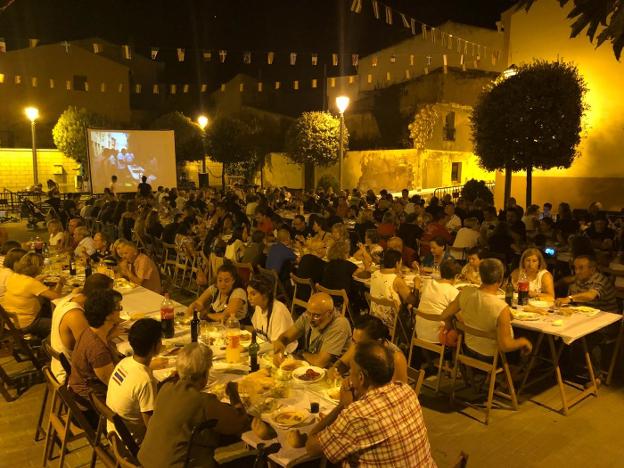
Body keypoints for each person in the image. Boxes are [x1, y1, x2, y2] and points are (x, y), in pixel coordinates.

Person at [306, 341, 436, 467]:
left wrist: (342, 406)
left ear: (361, 378)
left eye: (351, 372)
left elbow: (311, 448)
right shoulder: (406, 391)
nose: (349, 377)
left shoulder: (356, 415)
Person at [138, 343, 250, 468]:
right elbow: (240, 422)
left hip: (144, 463)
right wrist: (233, 393)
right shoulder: (203, 402)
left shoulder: (166, 387)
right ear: (204, 375)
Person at [441, 258, 532, 360]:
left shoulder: (465, 292)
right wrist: (524, 341)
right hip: (491, 358)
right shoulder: (500, 307)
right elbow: (506, 346)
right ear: (500, 279)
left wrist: (450, 327)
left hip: (467, 351)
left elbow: (445, 315)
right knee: (526, 344)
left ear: (481, 276)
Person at [50, 273, 114, 383]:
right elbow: (89, 348)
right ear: (99, 294)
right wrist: (111, 334)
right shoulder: (75, 315)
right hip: (69, 373)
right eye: (109, 293)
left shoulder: (69, 299)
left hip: (62, 363)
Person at [106, 318, 162, 443]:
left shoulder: (124, 362)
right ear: (155, 345)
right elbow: (152, 427)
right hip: (133, 442)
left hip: (113, 433)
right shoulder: (146, 380)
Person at [69, 289, 123, 406]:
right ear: (108, 316)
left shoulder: (89, 331)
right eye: (118, 308)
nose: (121, 311)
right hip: (91, 405)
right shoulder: (98, 351)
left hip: (83, 393)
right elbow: (115, 385)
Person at [273, 292, 351, 368]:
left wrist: (303, 354)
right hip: (311, 367)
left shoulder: (340, 324)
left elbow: (320, 362)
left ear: (329, 313)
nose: (310, 319)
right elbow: (286, 337)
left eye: (316, 316)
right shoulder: (309, 315)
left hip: (333, 374)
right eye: (309, 313)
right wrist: (280, 347)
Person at [1, 252, 65, 338]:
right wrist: (61, 283)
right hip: (25, 324)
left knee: (44, 304)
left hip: (9, 323)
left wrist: (37, 280)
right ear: (37, 267)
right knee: (61, 324)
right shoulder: (31, 283)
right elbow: (57, 297)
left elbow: (25, 287)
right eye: (42, 266)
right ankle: (47, 346)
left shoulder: (14, 276)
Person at [329, 315, 408, 383]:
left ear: (378, 342)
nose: (355, 347)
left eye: (360, 344)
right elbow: (340, 366)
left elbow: (397, 394)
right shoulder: (357, 345)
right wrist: (335, 371)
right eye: (353, 341)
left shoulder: (396, 358)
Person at [369, 250, 418, 330]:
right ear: (397, 263)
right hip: (393, 321)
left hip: (375, 317)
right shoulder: (396, 280)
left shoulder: (375, 274)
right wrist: (417, 285)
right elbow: (413, 301)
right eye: (400, 263)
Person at [415, 259, 461, 343]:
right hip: (439, 336)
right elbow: (461, 318)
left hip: (419, 332)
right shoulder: (453, 292)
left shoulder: (428, 283)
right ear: (457, 276)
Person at [248, 276, 295, 350]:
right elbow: (257, 332)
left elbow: (277, 344)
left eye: (253, 294)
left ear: (265, 294)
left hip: (284, 352)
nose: (249, 298)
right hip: (267, 349)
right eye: (248, 294)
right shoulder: (258, 307)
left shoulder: (278, 310)